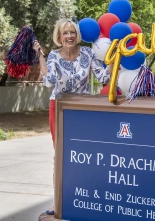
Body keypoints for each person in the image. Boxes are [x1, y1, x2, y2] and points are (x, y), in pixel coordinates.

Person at [33, 18, 112, 215]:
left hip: (82, 110)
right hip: (59, 107)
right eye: (65, 33)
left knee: (84, 154)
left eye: (72, 32)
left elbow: (103, 78)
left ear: (77, 35)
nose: (69, 36)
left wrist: (114, 56)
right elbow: (49, 81)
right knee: (60, 155)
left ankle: (84, 198)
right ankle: (58, 201)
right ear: (59, 36)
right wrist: (40, 56)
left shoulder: (87, 53)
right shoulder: (53, 56)